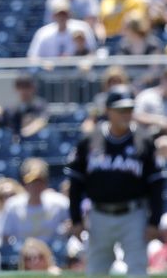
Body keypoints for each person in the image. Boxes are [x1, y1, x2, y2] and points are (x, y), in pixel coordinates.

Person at [66, 86, 164, 276]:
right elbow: (76, 184)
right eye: (120, 110)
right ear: (108, 110)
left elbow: (156, 184)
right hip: (99, 215)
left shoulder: (143, 140)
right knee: (96, 271)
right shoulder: (90, 139)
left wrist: (154, 221)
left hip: (133, 214)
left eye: (129, 109)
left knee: (137, 270)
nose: (125, 114)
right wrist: (76, 219)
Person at [0, 158, 69, 245]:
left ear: (45, 183)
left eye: (39, 182)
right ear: (24, 184)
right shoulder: (12, 206)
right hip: (24, 256)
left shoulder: (60, 203)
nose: (35, 186)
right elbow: (5, 237)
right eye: (31, 182)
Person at [27, 0, 97, 58]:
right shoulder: (43, 33)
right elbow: (33, 56)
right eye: (59, 14)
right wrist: (44, 64)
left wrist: (86, 63)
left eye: (64, 14)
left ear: (70, 14)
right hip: (48, 72)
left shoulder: (82, 28)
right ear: (53, 16)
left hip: (77, 71)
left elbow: (92, 51)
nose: (62, 17)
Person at [0, 74, 49, 139]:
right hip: (16, 144)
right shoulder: (9, 109)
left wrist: (26, 131)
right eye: (20, 87)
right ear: (16, 88)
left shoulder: (40, 105)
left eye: (27, 86)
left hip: (36, 140)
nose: (24, 91)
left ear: (33, 88)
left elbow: (42, 120)